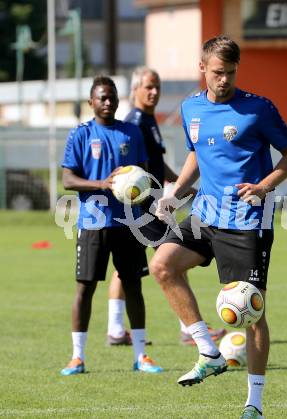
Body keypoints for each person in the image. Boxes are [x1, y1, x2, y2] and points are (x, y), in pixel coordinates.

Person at [149, 36, 287, 418]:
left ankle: (254, 403)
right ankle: (208, 351)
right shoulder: (190, 109)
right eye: (218, 72)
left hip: (248, 222)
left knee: (252, 313)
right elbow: (197, 155)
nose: (224, 80)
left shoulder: (258, 109)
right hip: (205, 215)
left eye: (231, 73)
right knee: (162, 265)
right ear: (202, 69)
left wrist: (265, 185)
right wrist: (175, 192)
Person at [106, 67, 226, 347]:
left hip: (150, 206)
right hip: (144, 208)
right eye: (148, 86)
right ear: (134, 89)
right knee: (172, 262)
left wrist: (180, 182)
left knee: (128, 267)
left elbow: (156, 165)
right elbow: (131, 168)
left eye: (157, 86)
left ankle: (115, 329)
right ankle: (188, 328)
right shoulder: (135, 123)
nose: (154, 92)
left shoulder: (147, 120)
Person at [60, 75, 163, 376]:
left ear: (118, 101)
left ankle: (141, 356)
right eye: (101, 97)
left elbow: (141, 176)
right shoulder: (80, 134)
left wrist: (147, 201)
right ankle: (77, 357)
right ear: (91, 102)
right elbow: (68, 179)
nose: (107, 102)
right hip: (93, 222)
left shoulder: (131, 132)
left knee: (133, 286)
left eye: (112, 97)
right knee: (85, 288)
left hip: (127, 223)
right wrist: (102, 184)